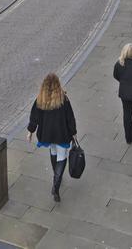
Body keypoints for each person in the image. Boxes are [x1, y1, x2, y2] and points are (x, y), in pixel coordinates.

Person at [26, 73, 77, 202]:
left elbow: (34, 117)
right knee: (62, 157)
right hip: (61, 133)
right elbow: (70, 118)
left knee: (53, 152)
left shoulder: (40, 99)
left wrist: (30, 131)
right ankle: (56, 185)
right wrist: (74, 132)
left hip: (47, 134)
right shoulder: (63, 99)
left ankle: (56, 177)